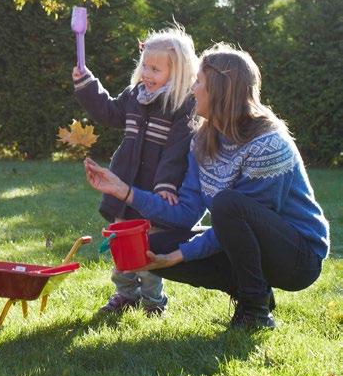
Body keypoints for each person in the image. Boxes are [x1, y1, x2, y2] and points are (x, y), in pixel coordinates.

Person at [84, 43, 329, 329]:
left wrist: (180, 255)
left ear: (220, 90)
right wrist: (124, 191)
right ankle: (254, 292)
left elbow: (243, 221)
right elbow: (186, 214)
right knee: (153, 244)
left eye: (198, 82)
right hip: (249, 245)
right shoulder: (202, 140)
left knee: (227, 204)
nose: (191, 89)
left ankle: (255, 311)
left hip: (297, 258)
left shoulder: (268, 144)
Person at [73, 26, 198, 315]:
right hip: (125, 181)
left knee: (148, 245)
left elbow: (178, 150)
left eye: (156, 69)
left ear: (177, 72)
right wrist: (87, 84)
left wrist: (166, 185)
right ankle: (125, 293)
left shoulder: (181, 105)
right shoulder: (135, 96)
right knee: (121, 242)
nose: (147, 74)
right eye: (145, 66)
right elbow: (108, 111)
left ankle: (154, 301)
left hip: (153, 191)